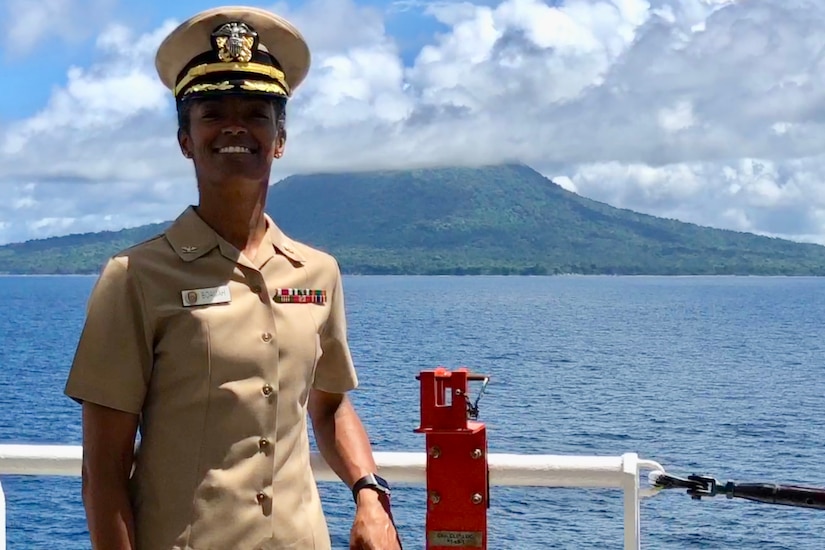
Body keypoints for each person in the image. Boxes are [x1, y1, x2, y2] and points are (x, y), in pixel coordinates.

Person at [64, 6, 402, 550]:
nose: (235, 127)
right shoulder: (134, 277)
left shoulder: (318, 272)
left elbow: (330, 404)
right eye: (212, 113)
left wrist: (369, 493)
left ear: (280, 138)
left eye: (256, 113)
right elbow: (102, 474)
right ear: (185, 140)